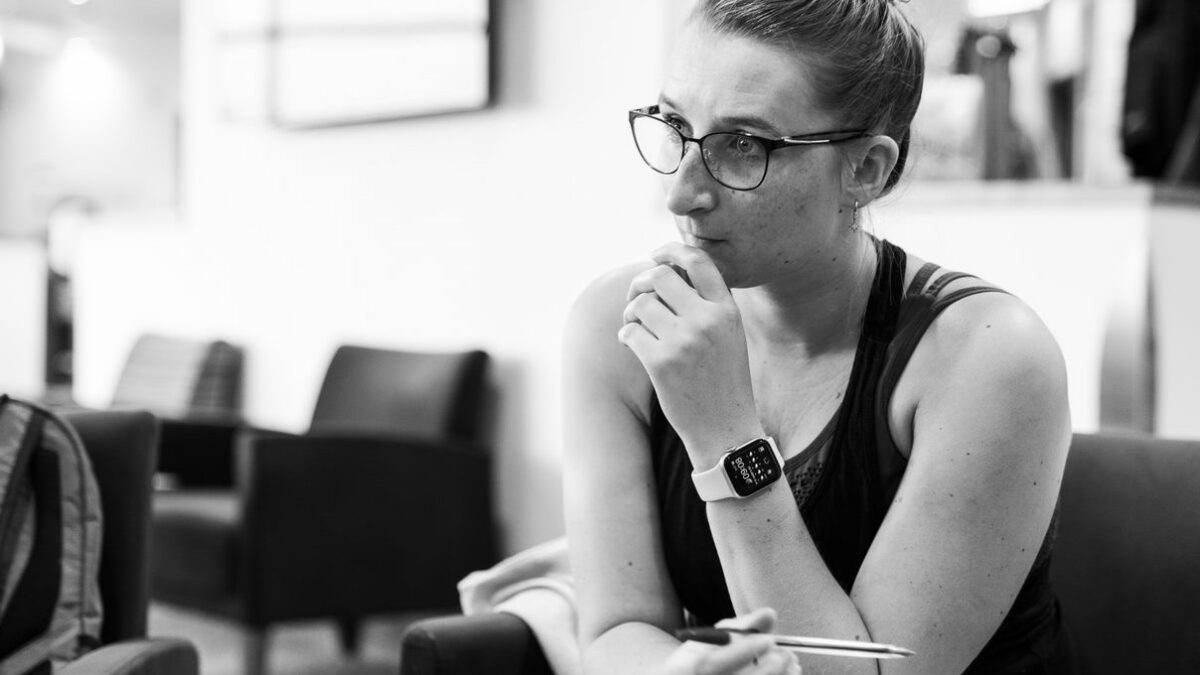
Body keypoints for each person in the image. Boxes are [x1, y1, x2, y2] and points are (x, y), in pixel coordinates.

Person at [561, 1, 1078, 674]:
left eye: (743, 144)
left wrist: (725, 437)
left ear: (865, 170)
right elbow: (615, 629)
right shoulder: (621, 327)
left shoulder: (989, 357)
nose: (682, 193)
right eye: (677, 127)